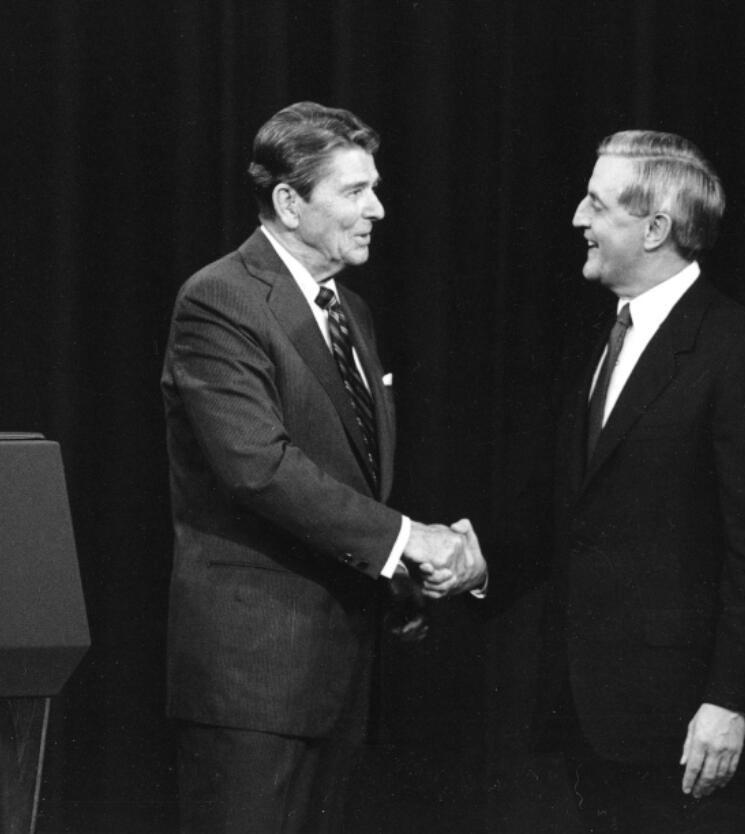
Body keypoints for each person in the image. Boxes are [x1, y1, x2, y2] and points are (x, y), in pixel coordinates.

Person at [161, 101, 485, 833]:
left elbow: (349, 474)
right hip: (254, 686)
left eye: (374, 187)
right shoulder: (220, 299)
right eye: (353, 191)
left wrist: (398, 579)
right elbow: (259, 467)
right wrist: (410, 541)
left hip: (341, 675)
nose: (377, 207)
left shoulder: (352, 313)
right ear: (288, 202)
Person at [485, 130, 745, 833]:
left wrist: (731, 702)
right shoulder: (601, 339)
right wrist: (465, 566)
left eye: (596, 205)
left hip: (691, 733)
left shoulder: (739, 353)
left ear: (656, 227)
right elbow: (575, 514)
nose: (577, 219)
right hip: (594, 725)